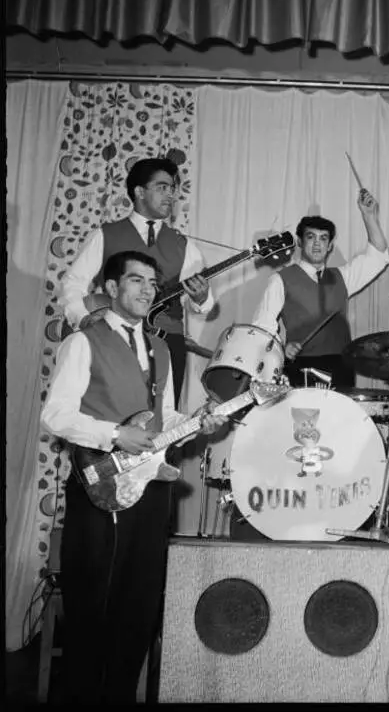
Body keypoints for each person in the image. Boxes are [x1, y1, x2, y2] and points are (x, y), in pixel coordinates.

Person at [41, 250, 229, 704]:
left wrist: (198, 420)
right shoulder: (82, 342)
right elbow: (55, 415)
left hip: (149, 490)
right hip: (97, 485)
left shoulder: (162, 348)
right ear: (110, 288)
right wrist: (113, 434)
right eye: (136, 280)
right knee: (92, 605)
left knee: (139, 604)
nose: (148, 289)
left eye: (152, 282)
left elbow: (162, 418)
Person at [59, 157, 214, 406]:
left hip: (167, 341)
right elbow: (72, 284)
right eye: (162, 187)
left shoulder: (185, 245)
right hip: (113, 337)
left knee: (162, 419)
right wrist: (85, 317)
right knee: (110, 410)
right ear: (139, 192)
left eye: (173, 189)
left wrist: (201, 297)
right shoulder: (104, 235)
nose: (171, 195)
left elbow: (204, 305)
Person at [251, 188, 389, 391]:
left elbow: (378, 256)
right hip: (300, 367)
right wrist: (281, 348)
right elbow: (261, 327)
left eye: (323, 238)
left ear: (330, 245)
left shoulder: (343, 277)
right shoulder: (280, 279)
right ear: (299, 241)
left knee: (337, 422)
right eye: (311, 237)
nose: (317, 244)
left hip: (341, 366)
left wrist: (368, 216)